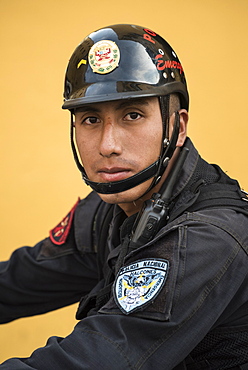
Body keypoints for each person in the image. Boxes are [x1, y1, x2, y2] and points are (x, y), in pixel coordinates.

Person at [0, 23, 248, 369]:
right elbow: (16, 283)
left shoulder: (209, 237)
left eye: (132, 115)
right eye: (90, 119)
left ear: (178, 126)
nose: (107, 146)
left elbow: (97, 359)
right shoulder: (112, 209)